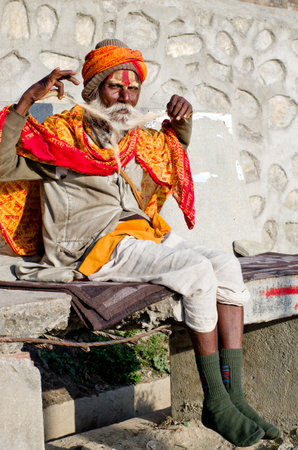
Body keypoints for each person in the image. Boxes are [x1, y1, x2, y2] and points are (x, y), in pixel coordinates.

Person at [0, 39, 280, 446]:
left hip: (136, 232)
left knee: (225, 264)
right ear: (93, 91)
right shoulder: (60, 137)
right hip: (91, 246)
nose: (126, 98)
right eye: (115, 88)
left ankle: (234, 395)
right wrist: (29, 98)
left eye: (132, 89)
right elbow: (3, 164)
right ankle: (215, 401)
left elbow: (170, 151)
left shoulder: (130, 135)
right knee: (198, 273)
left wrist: (181, 122)